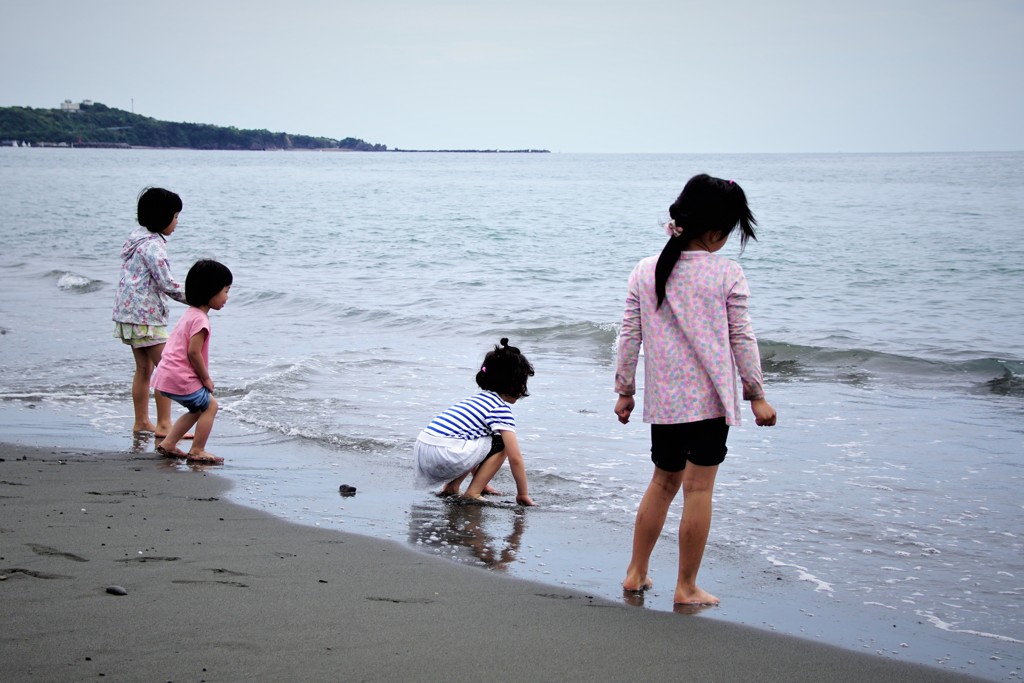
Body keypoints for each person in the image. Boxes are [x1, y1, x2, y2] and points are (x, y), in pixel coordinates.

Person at [614, 174, 777, 606]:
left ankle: (635, 573)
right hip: (708, 403)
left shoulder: (645, 271)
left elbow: (629, 336)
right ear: (716, 231)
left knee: (662, 482)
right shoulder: (726, 274)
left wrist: (625, 390)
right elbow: (742, 338)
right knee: (698, 490)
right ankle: (685, 587)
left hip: (664, 402)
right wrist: (756, 394)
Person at [414, 338, 536, 506]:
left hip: (424, 452)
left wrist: (483, 481)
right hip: (446, 455)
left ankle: (452, 486)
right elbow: (515, 458)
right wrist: (523, 494)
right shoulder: (499, 408)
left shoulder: (474, 400)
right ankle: (473, 492)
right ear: (517, 383)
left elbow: (474, 447)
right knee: (502, 445)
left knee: (478, 440)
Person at [112, 187, 188, 437]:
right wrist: (198, 298)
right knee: (165, 368)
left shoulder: (137, 239)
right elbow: (167, 284)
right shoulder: (154, 246)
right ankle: (164, 425)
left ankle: (142, 421)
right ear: (162, 216)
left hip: (129, 315)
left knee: (144, 370)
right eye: (176, 216)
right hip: (146, 318)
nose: (177, 222)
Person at [153, 259, 233, 464]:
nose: (227, 297)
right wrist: (205, 378)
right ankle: (198, 449)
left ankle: (169, 443)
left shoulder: (190, 314)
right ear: (211, 291)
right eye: (225, 291)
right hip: (181, 376)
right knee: (210, 406)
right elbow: (194, 353)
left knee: (197, 409)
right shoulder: (201, 320)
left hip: (166, 374)